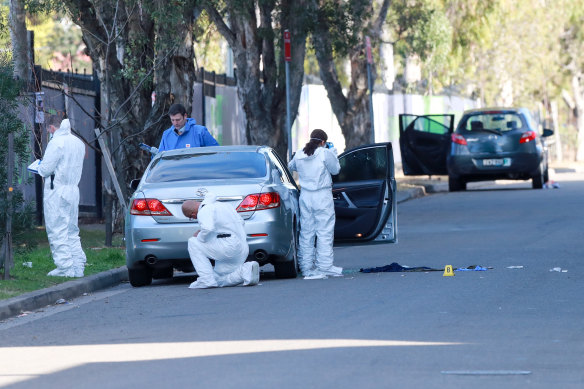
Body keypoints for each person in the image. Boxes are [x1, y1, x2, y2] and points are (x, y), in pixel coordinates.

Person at [288, 129, 342, 279]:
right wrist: (333, 153)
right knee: (324, 232)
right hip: (322, 196)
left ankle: (306, 268)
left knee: (306, 233)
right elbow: (336, 170)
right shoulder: (325, 153)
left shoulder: (299, 154)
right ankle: (324, 266)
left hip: (305, 196)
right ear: (323, 142)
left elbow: (291, 166)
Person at [37, 116, 87, 277]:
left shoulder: (56, 143)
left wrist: (39, 167)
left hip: (57, 190)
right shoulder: (78, 143)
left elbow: (45, 169)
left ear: (52, 128)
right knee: (72, 230)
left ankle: (65, 267)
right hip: (73, 190)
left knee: (57, 229)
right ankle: (78, 266)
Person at [181, 192, 259, 289]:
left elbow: (208, 229)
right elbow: (241, 223)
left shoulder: (204, 210)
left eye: (191, 218)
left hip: (227, 248)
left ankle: (206, 280)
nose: (194, 218)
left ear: (192, 214)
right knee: (218, 278)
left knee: (193, 242)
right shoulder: (225, 206)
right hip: (241, 248)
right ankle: (245, 272)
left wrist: (199, 235)